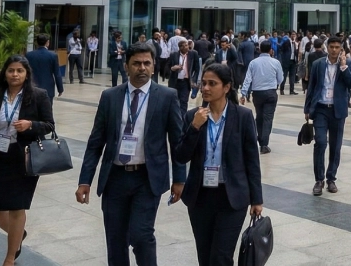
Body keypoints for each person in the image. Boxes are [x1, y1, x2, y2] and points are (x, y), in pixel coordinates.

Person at [75, 44, 187, 266]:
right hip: (115, 178)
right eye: (136, 63)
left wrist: (180, 179)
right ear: (126, 66)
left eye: (147, 63)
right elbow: (96, 142)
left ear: (153, 67)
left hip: (147, 178)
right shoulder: (110, 97)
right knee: (115, 239)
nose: (142, 68)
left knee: (141, 235)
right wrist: (85, 180)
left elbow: (177, 142)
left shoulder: (167, 96)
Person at [0, 55, 55, 266]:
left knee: (17, 208)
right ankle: (18, 233)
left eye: (19, 71)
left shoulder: (38, 96)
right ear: (4, 73)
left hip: (24, 159)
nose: (15, 74)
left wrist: (30, 125)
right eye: (11, 70)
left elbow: (49, 125)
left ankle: (9, 258)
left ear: (26, 74)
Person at [174, 63, 264, 266]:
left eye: (212, 84)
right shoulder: (193, 116)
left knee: (221, 257)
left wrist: (256, 199)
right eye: (203, 83)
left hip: (231, 197)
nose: (205, 88)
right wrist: (194, 127)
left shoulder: (242, 116)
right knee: (205, 256)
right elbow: (181, 156)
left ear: (226, 87)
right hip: (200, 197)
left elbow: (252, 160)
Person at [303, 35, 351, 196]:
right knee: (320, 142)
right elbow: (312, 86)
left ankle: (331, 178)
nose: (334, 50)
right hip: (320, 108)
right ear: (327, 47)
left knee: (335, 145)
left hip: (337, 110)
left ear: (341, 49)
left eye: (337, 47)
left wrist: (344, 67)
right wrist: (307, 109)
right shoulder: (318, 64)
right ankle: (319, 180)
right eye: (331, 47)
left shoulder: (347, 63)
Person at [240, 41, 283, 154]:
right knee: (268, 118)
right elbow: (280, 78)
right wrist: (274, 82)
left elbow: (248, 78)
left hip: (257, 93)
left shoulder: (253, 63)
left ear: (259, 49)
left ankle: (260, 138)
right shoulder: (276, 62)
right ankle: (264, 144)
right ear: (270, 50)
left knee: (259, 116)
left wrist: (243, 93)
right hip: (271, 93)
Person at [27, 34, 64, 105]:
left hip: (32, 87)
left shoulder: (29, 55)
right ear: (47, 42)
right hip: (48, 88)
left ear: (37, 43)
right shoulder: (53, 56)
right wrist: (60, 89)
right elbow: (57, 74)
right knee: (47, 108)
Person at [169, 38, 202, 110]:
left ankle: (183, 116)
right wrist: (173, 68)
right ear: (179, 47)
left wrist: (194, 80)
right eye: (183, 46)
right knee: (175, 101)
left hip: (186, 82)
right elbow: (167, 67)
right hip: (175, 81)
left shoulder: (193, 54)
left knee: (184, 101)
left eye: (186, 45)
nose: (185, 47)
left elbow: (197, 69)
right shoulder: (174, 55)